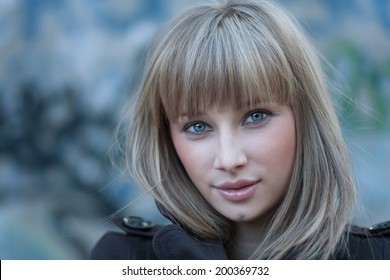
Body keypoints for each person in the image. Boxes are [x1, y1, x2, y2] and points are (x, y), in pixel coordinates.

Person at [91, 0, 390, 259]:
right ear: (167, 139)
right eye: (198, 126)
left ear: (305, 119)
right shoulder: (124, 260)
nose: (229, 159)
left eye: (256, 116)